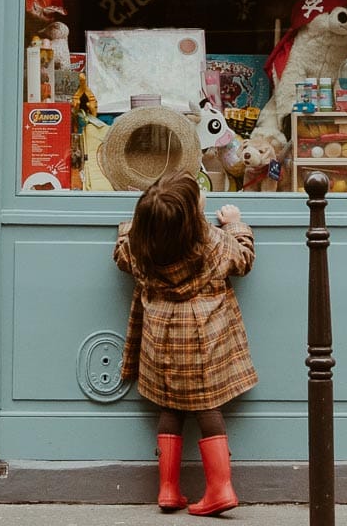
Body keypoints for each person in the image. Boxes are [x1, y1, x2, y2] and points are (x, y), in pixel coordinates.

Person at [114, 172, 257, 516]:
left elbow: (121, 255)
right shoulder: (213, 242)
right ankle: (220, 488)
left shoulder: (142, 246)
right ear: (193, 218)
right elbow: (244, 260)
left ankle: (167, 489)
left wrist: (128, 228)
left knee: (169, 408)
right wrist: (237, 225)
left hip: (161, 341)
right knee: (209, 408)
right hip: (205, 341)